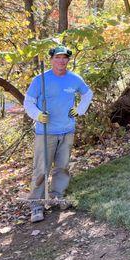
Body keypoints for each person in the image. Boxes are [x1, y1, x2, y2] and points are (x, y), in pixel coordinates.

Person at [24, 46, 93, 223]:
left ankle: (56, 196)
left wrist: (79, 110)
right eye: (57, 58)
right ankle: (37, 204)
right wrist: (38, 115)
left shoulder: (74, 79)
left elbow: (87, 94)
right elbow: (28, 102)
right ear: (52, 59)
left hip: (67, 129)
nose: (61, 61)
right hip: (46, 132)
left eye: (64, 58)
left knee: (62, 167)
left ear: (68, 60)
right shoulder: (41, 80)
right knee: (41, 168)